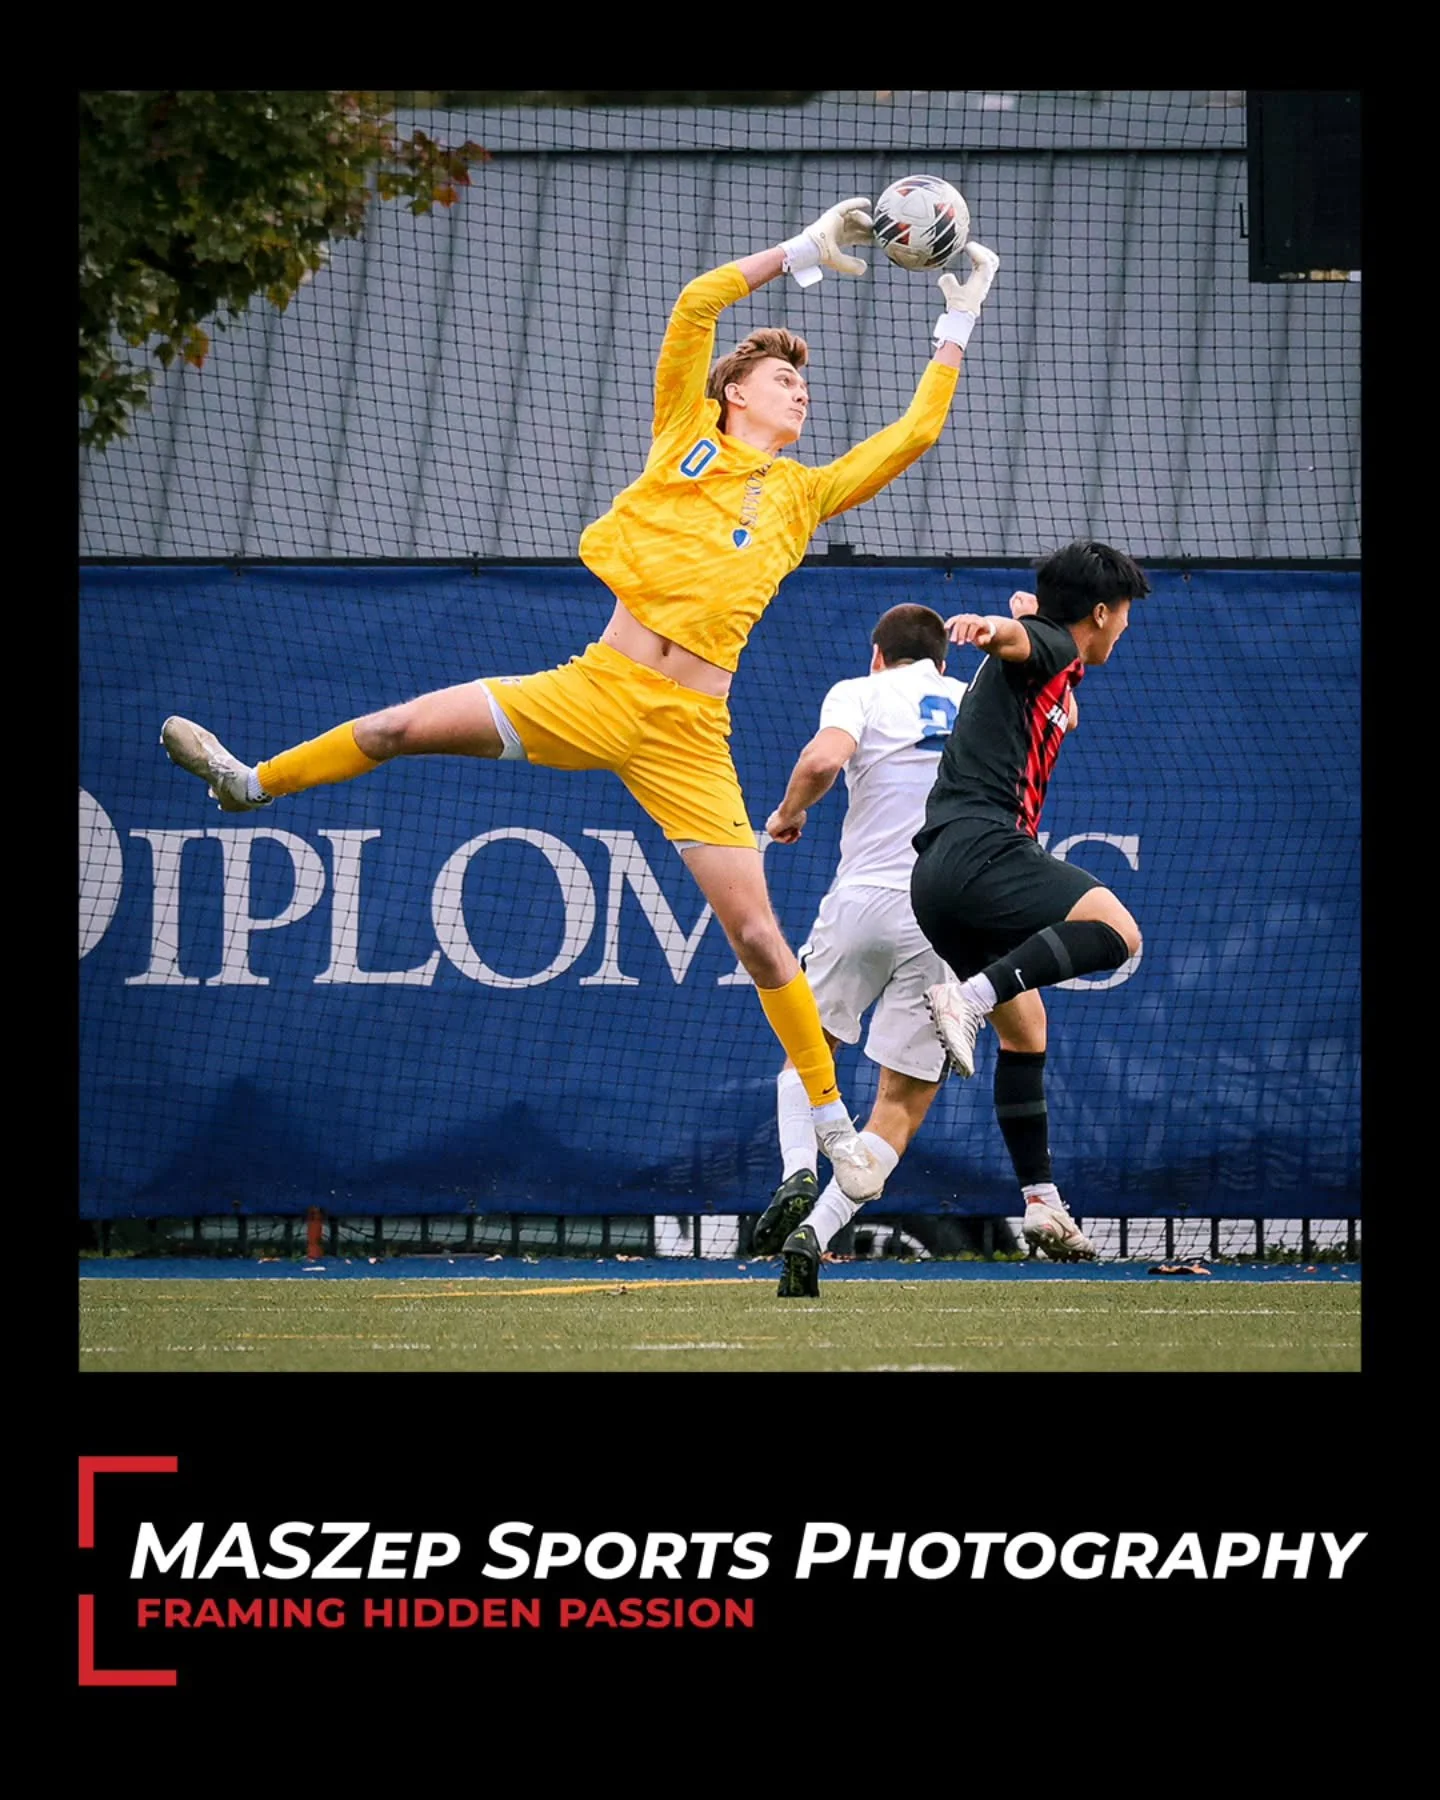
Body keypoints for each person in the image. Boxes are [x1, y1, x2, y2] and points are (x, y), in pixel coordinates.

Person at [158, 198, 1002, 1205]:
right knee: (393, 730)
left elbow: (915, 432)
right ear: (733, 393)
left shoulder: (803, 495)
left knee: (762, 939)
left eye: (803, 383)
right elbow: (694, 305)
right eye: (784, 378)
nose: (800, 393)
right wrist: (803, 255)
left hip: (688, 735)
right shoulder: (683, 434)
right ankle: (250, 783)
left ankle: (835, 1131)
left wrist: (960, 316)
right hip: (593, 689)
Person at [886, 538, 1151, 1274]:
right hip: (982, 848)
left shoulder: (1053, 647)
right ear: (1101, 612)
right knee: (1117, 932)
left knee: (1026, 1028)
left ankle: (1040, 1202)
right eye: (1124, 613)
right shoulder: (1052, 644)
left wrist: (1015, 616)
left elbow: (1026, 620)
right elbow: (1021, 636)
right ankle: (967, 998)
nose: (1127, 628)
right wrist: (988, 625)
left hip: (936, 877)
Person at [750, 601, 968, 1298]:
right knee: (899, 1105)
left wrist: (789, 813)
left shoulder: (861, 690)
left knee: (807, 1051)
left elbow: (822, 758)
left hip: (863, 900)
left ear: (879, 654)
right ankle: (817, 1228)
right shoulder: (976, 699)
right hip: (946, 909)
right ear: (943, 661)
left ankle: (797, 1169)